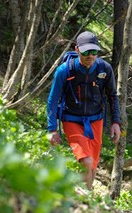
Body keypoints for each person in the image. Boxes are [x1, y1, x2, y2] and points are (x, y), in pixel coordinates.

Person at [47, 31, 121, 190]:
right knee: (86, 161)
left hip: (96, 120)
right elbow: (52, 100)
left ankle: (88, 199)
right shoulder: (64, 70)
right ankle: (83, 201)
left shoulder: (104, 69)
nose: (90, 55)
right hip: (71, 119)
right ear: (77, 49)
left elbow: (113, 96)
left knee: (93, 165)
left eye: (94, 51)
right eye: (86, 51)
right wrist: (52, 128)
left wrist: (116, 122)